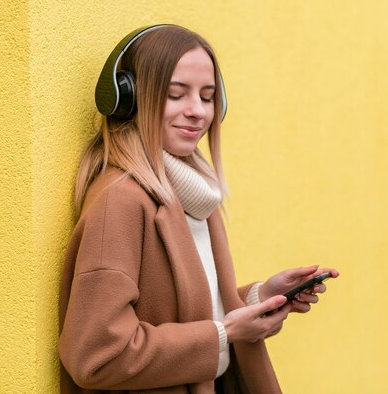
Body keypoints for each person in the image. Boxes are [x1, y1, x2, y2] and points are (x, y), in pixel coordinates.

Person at [58, 24, 339, 394]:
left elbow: (181, 310)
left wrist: (257, 298)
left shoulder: (194, 195)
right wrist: (226, 334)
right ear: (128, 98)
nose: (197, 112)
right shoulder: (120, 202)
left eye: (207, 98)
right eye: (176, 95)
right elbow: (97, 354)